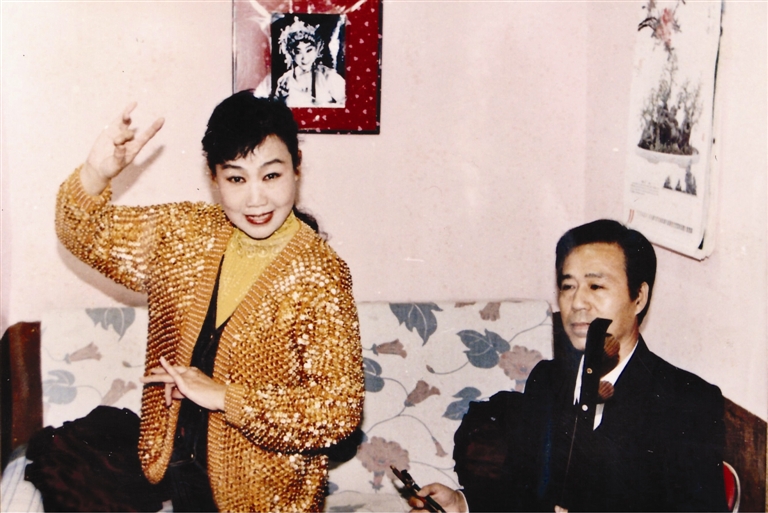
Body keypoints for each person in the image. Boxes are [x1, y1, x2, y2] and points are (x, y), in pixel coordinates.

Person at [55, 91, 365, 511]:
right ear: (214, 177)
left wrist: (224, 397)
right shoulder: (185, 233)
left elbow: (338, 411)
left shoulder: (320, 273)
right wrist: (96, 173)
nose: (256, 199)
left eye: (271, 176)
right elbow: (83, 232)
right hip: (182, 473)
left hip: (266, 500)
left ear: (297, 168)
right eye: (236, 179)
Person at [410, 219, 727, 512]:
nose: (577, 303)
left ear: (639, 297)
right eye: (568, 286)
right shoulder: (548, 380)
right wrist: (463, 504)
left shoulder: (687, 403)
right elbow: (522, 492)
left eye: (596, 286)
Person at [274, 18, 346, 107]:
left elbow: (347, 103)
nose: (304, 58)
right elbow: (276, 108)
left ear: (317, 49)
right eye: (298, 52)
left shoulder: (328, 76)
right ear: (290, 53)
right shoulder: (285, 80)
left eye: (309, 50)